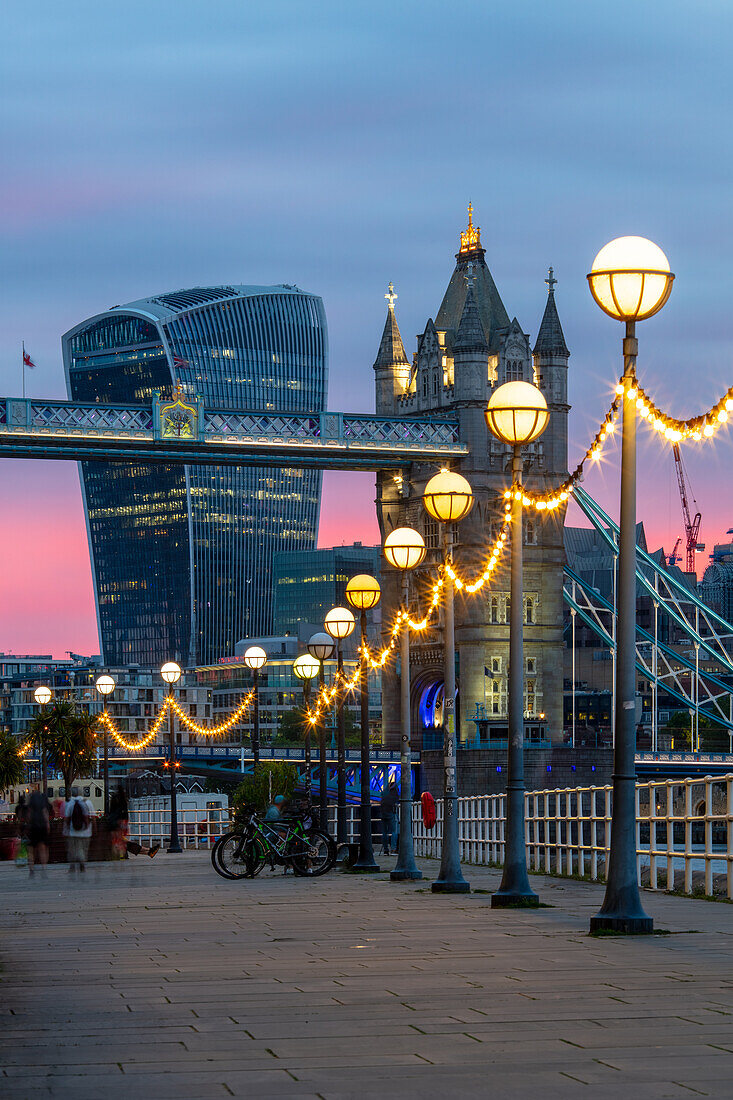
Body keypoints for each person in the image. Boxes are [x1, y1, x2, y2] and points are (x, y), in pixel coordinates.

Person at [108, 785, 160, 859]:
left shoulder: (115, 799)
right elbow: (124, 813)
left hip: (116, 824)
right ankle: (149, 851)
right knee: (124, 842)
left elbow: (112, 812)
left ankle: (148, 851)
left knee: (123, 842)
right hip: (121, 823)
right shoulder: (122, 800)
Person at [64, 788, 95, 873]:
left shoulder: (70, 803)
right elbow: (93, 817)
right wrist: (94, 828)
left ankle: (72, 866)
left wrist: (65, 829)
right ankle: (82, 862)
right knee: (84, 848)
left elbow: (67, 818)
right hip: (86, 831)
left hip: (73, 831)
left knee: (73, 849)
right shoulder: (88, 802)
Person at [27, 787, 52, 877]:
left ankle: (31, 869)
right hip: (42, 826)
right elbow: (45, 812)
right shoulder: (43, 800)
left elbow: (29, 813)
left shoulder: (31, 800)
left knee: (31, 849)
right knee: (42, 848)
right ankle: (44, 868)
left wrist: (29, 824)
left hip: (33, 825)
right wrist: (47, 825)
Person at [379, 780, 399, 856]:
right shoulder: (395, 796)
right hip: (391, 813)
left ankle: (385, 850)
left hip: (383, 814)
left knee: (384, 832)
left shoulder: (385, 795)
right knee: (394, 831)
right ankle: (393, 849)